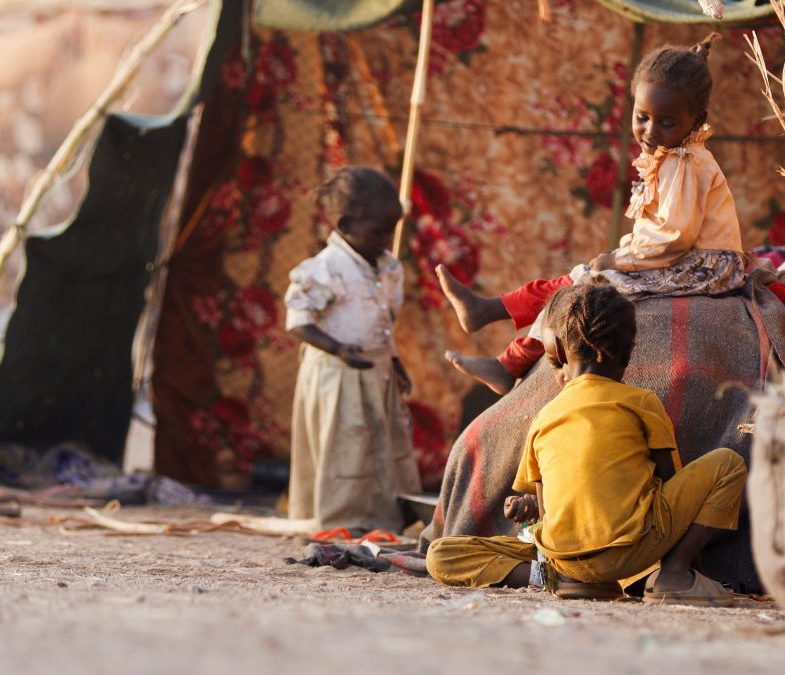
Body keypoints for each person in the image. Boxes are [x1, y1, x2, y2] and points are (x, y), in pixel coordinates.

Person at [438, 34, 747, 394]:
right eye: (642, 117)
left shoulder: (686, 164)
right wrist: (623, 255)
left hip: (703, 265)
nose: (650, 131)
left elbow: (675, 236)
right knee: (581, 275)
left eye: (667, 123)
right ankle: (495, 319)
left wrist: (620, 259)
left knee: (593, 283)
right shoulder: (669, 158)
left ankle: (508, 351)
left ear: (696, 120)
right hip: (681, 256)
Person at [425, 282, 747, 605]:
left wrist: (531, 511)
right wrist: (688, 564)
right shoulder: (643, 403)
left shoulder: (543, 418)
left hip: (565, 561)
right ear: (628, 353)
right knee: (728, 463)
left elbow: (548, 513)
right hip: (632, 551)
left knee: (441, 553)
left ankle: (550, 578)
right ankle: (674, 573)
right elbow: (670, 484)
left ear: (560, 351)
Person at [284, 166, 420, 532]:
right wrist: (339, 350)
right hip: (336, 373)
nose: (387, 240)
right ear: (345, 225)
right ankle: (341, 519)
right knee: (345, 444)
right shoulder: (326, 268)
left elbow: (383, 321)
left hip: (376, 369)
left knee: (379, 443)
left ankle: (380, 517)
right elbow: (298, 320)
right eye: (378, 232)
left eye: (391, 230)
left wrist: (396, 362)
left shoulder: (389, 268)